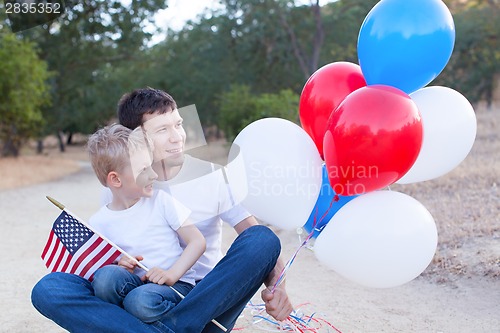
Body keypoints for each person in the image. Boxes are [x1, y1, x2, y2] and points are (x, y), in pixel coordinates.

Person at [31, 87, 293, 333]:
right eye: (162, 130)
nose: (177, 137)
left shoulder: (212, 176)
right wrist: (120, 264)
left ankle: (176, 324)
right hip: (137, 295)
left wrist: (277, 286)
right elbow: (112, 255)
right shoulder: (123, 186)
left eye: (178, 124)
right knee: (50, 289)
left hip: (205, 299)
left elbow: (256, 241)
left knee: (262, 238)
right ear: (136, 137)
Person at [86, 124, 206, 323]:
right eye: (143, 169)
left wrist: (171, 274)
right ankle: (125, 325)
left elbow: (197, 241)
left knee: (140, 301)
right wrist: (119, 265)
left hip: (175, 286)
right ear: (116, 180)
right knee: (107, 277)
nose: (154, 175)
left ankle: (175, 323)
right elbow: (100, 272)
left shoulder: (161, 202)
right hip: (135, 286)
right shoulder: (98, 222)